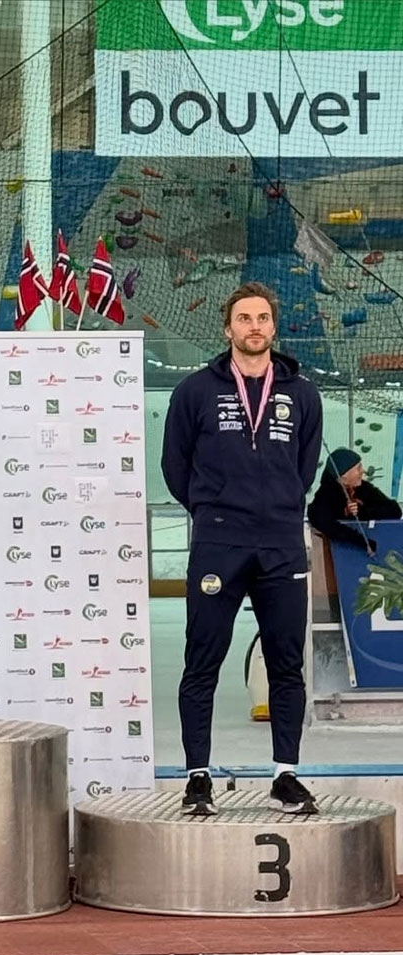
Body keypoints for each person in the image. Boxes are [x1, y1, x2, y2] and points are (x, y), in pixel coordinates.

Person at [161, 281, 323, 816]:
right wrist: (212, 509)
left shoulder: (302, 394)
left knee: (287, 664)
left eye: (262, 318)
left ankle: (285, 776)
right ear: (227, 328)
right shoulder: (195, 391)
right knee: (201, 660)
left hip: (281, 544)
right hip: (219, 542)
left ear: (274, 326)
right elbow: (175, 466)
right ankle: (197, 778)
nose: (254, 327)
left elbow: (303, 468)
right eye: (244, 319)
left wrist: (278, 507)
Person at [307, 447, 401, 553]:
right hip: (340, 555)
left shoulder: (363, 488)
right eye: (358, 468)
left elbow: (395, 510)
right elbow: (324, 521)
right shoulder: (325, 496)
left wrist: (362, 511)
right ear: (344, 476)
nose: (363, 471)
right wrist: (362, 541)